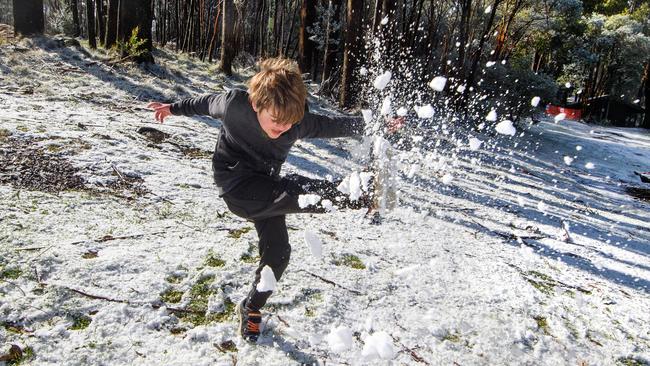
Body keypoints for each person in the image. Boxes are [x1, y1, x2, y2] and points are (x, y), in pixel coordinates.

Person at [148, 58, 402, 343]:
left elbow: (334, 125)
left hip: (269, 189)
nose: (282, 128)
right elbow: (204, 103)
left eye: (289, 123)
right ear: (257, 104)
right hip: (236, 187)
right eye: (276, 120)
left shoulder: (296, 123)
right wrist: (171, 108)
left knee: (279, 253)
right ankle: (360, 193)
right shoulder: (234, 104)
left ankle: (251, 307)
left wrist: (379, 125)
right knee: (295, 192)